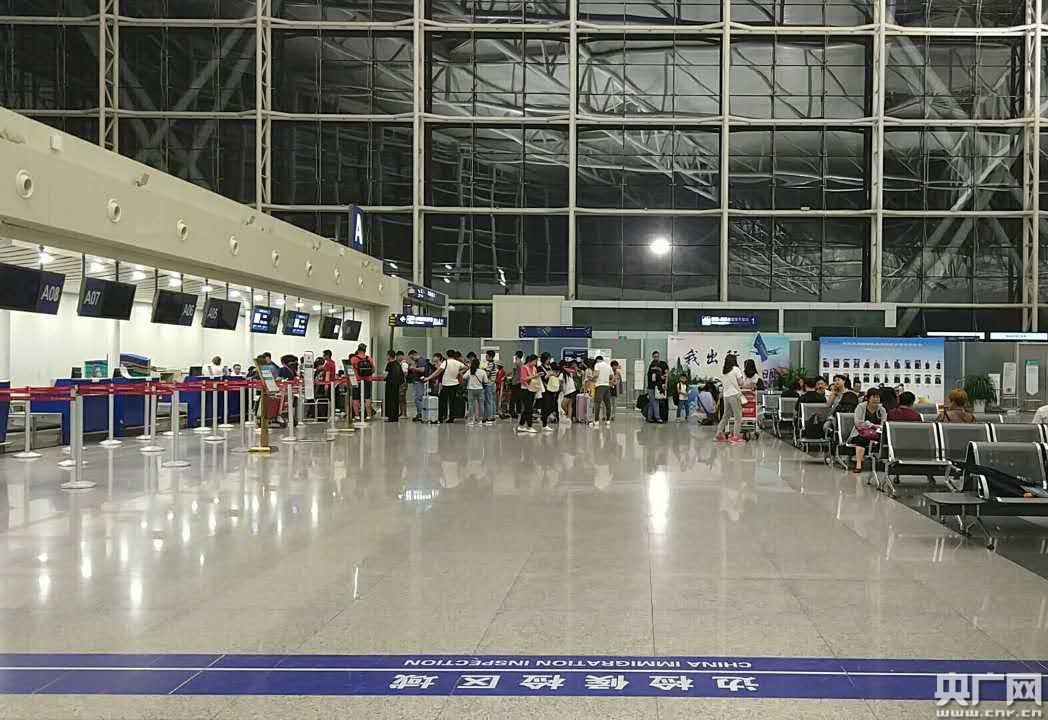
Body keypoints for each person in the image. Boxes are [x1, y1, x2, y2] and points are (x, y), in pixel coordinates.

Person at [847, 388, 887, 473]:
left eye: (878, 397)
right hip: (860, 433)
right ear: (868, 398)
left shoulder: (882, 409)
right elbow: (858, 423)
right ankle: (858, 464)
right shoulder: (861, 407)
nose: (876, 399)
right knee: (861, 440)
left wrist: (874, 426)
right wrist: (872, 425)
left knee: (884, 440)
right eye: (874, 397)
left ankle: (882, 462)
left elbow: (884, 424)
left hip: (876, 433)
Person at [424, 350, 464, 424]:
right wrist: (459, 372)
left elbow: (437, 372)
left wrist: (428, 378)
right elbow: (466, 367)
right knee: (452, 402)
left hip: (446, 384)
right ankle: (451, 418)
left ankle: (440, 417)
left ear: (447, 355)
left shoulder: (445, 362)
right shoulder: (458, 363)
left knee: (442, 402)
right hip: (455, 384)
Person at [715, 354, 746, 444]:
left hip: (726, 396)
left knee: (726, 416)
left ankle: (718, 434)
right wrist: (742, 379)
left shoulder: (723, 372)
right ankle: (736, 437)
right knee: (738, 417)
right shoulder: (736, 369)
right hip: (734, 395)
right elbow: (741, 383)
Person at [516, 354, 541, 434]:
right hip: (525, 390)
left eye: (536, 362)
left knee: (528, 408)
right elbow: (523, 379)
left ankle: (521, 425)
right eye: (534, 361)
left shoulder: (534, 368)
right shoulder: (524, 367)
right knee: (529, 409)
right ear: (530, 360)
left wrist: (537, 376)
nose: (535, 363)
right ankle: (529, 426)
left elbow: (535, 378)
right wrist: (534, 376)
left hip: (532, 389)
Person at [465, 357, 489, 426]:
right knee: (481, 405)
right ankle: (480, 420)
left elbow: (464, 377)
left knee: (471, 405)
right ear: (479, 364)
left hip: (471, 389)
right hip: (480, 389)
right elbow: (486, 381)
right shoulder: (482, 371)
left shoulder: (470, 371)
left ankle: (471, 420)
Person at [382, 351, 404, 422]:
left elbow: (385, 375)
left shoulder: (389, 364)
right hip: (397, 385)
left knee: (390, 400)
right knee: (396, 400)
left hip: (390, 385)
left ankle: (391, 417)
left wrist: (383, 376)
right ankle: (395, 417)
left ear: (389, 356)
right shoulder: (398, 364)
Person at [537, 353, 557, 432]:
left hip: (552, 388)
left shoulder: (550, 366)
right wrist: (549, 374)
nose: (549, 360)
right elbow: (543, 378)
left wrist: (554, 374)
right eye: (548, 359)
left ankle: (543, 418)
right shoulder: (540, 368)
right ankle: (544, 424)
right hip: (545, 389)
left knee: (552, 406)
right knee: (545, 406)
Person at [406, 350, 428, 422]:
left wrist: (413, 368)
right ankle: (420, 413)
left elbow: (422, 369)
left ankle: (421, 414)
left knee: (418, 398)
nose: (412, 359)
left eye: (412, 357)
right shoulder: (417, 362)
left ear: (415, 354)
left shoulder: (421, 361)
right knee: (417, 398)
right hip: (416, 382)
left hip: (419, 382)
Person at [647, 352, 668, 424]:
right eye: (655, 356)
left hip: (657, 386)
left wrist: (665, 383)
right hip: (652, 386)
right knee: (653, 402)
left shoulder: (663, 364)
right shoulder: (651, 365)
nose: (656, 358)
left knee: (653, 402)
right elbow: (652, 378)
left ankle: (650, 417)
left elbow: (666, 374)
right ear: (652, 357)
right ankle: (657, 418)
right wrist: (660, 377)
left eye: (657, 356)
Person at [593, 355, 614, 427]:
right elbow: (612, 377)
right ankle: (608, 420)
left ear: (598, 360)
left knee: (597, 403)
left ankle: (596, 421)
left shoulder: (597, 365)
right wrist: (609, 381)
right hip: (607, 386)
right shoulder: (608, 366)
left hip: (599, 386)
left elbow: (596, 375)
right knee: (608, 403)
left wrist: (592, 378)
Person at [481, 350, 497, 425]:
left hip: (489, 384)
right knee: (492, 401)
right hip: (492, 384)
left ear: (490, 356)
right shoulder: (493, 364)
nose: (486, 357)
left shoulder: (491, 364)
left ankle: (490, 417)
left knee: (489, 401)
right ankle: (492, 416)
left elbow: (487, 374)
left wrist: (482, 371)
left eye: (487, 355)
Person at [510, 350, 524, 418]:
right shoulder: (522, 363)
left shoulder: (516, 363)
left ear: (516, 355)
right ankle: (519, 411)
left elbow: (513, 373)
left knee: (513, 398)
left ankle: (512, 412)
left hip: (515, 382)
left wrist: (510, 378)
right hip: (520, 382)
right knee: (519, 398)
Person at [396, 350, 409, 417]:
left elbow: (405, 374)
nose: (398, 357)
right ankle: (401, 412)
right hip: (399, 382)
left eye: (399, 356)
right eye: (397, 356)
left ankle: (404, 413)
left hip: (403, 383)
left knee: (402, 398)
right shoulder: (398, 364)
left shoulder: (404, 364)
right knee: (399, 398)